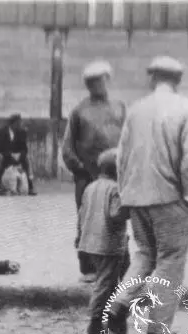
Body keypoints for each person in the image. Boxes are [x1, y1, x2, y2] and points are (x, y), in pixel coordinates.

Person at [107, 56, 188, 334]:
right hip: (170, 197)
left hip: (137, 198)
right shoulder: (186, 108)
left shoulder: (136, 110)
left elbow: (120, 156)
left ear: (152, 78)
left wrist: (126, 193)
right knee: (170, 262)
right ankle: (157, 331)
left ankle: (120, 302)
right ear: (178, 80)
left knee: (146, 254)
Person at [61, 60, 127, 283]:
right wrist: (81, 170)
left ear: (107, 80)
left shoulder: (120, 107)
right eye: (90, 83)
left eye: (99, 81)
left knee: (117, 218)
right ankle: (87, 268)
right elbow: (67, 148)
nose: (95, 86)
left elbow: (129, 140)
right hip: (87, 178)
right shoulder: (79, 111)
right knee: (86, 220)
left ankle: (119, 266)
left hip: (117, 177)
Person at [77, 149, 130, 334]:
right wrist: (129, 209)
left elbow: (81, 214)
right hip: (108, 244)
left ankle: (112, 317)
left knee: (108, 280)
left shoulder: (90, 187)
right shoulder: (115, 189)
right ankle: (96, 320)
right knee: (105, 283)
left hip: (90, 243)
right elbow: (116, 214)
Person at [0, 114, 37, 196]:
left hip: (18, 156)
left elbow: (25, 149)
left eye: (20, 123)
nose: (19, 125)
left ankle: (30, 185)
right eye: (18, 123)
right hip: (6, 156)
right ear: (12, 124)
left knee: (28, 158)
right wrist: (10, 154)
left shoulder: (22, 133)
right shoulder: (2, 132)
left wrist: (20, 155)